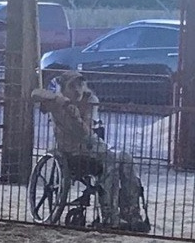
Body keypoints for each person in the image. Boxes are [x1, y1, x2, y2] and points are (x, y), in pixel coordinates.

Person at [32, 71, 148, 231]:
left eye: (80, 85)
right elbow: (35, 93)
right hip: (72, 151)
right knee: (110, 161)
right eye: (72, 86)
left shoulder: (90, 101)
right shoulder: (56, 105)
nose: (77, 90)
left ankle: (132, 213)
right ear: (63, 88)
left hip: (93, 146)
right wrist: (62, 102)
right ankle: (109, 216)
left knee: (126, 158)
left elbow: (89, 133)